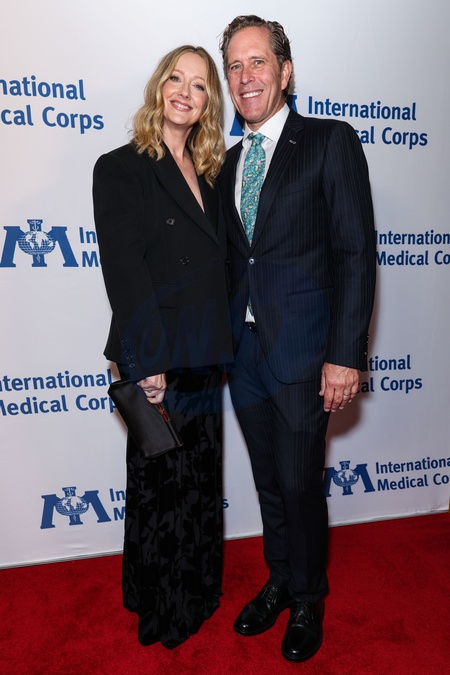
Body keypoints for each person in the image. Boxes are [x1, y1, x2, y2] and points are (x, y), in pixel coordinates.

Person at [219, 16, 376, 663]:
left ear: (285, 71)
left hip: (307, 353)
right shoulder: (229, 163)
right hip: (244, 354)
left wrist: (345, 354)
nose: (245, 77)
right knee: (267, 481)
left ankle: (309, 595)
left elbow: (355, 253)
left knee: (300, 481)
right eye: (234, 66)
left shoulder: (329, 141)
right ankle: (280, 578)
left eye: (257, 61)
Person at [92, 45, 233, 649]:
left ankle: (197, 590)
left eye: (199, 86)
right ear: (158, 87)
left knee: (198, 481)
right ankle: (163, 606)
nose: (185, 92)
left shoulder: (211, 174)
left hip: (204, 353)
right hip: (159, 356)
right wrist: (147, 361)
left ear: (208, 104)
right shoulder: (121, 167)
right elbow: (125, 272)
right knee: (161, 487)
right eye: (176, 78)